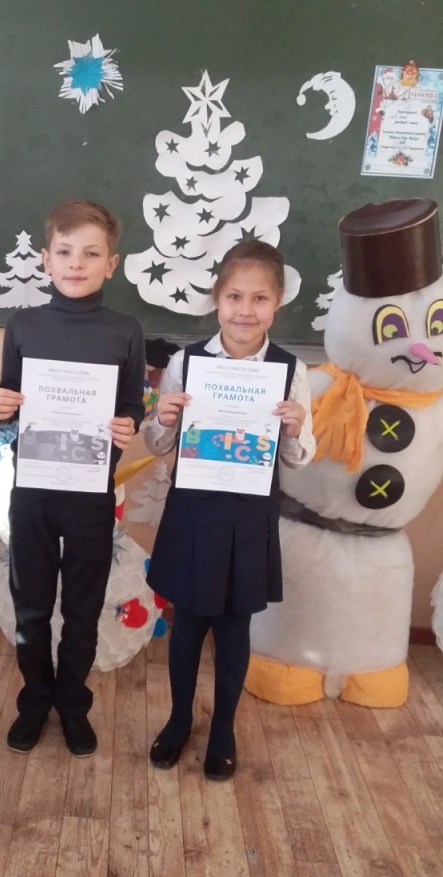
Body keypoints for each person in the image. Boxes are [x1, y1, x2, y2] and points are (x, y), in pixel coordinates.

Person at [144, 240, 315, 779]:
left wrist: (294, 429)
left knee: (235, 626)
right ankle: (178, 721)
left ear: (278, 302)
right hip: (194, 511)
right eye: (235, 296)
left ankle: (223, 729)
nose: (246, 310)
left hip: (249, 516)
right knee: (189, 623)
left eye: (260, 298)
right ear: (217, 298)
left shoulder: (291, 370)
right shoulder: (186, 361)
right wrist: (164, 419)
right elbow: (157, 444)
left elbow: (300, 457)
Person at [0, 198, 146, 757]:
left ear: (112, 264)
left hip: (90, 493)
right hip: (32, 490)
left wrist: (129, 423)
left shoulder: (124, 330)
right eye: (64, 252)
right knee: (32, 607)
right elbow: (9, 402)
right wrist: (2, 405)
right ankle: (35, 701)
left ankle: (73, 705)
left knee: (82, 608)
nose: (76, 263)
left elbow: (132, 403)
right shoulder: (24, 325)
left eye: (91, 253)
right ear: (46, 259)